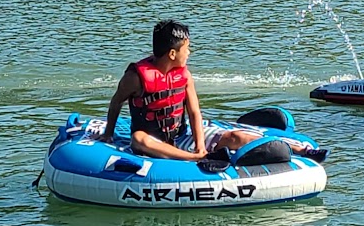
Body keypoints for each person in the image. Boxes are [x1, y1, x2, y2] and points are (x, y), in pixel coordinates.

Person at [103, 21, 255, 162]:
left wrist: (200, 145)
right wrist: (108, 134)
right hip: (153, 142)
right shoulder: (135, 78)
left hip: (182, 136)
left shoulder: (184, 75)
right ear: (172, 54)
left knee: (237, 137)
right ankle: (194, 158)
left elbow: (194, 112)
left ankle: (273, 147)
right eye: (186, 48)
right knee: (138, 138)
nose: (189, 52)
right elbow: (116, 102)